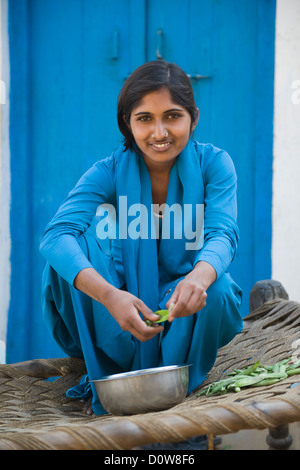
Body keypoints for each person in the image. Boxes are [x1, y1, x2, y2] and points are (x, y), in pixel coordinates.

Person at [40, 60, 243, 416]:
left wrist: (199, 276)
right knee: (69, 256)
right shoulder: (107, 172)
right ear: (127, 123)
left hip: (182, 306)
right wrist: (109, 295)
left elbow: (223, 233)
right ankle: (110, 374)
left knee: (220, 286)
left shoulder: (215, 164)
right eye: (144, 118)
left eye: (172, 116)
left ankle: (185, 387)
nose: (159, 132)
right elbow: (55, 236)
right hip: (119, 306)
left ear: (193, 118)